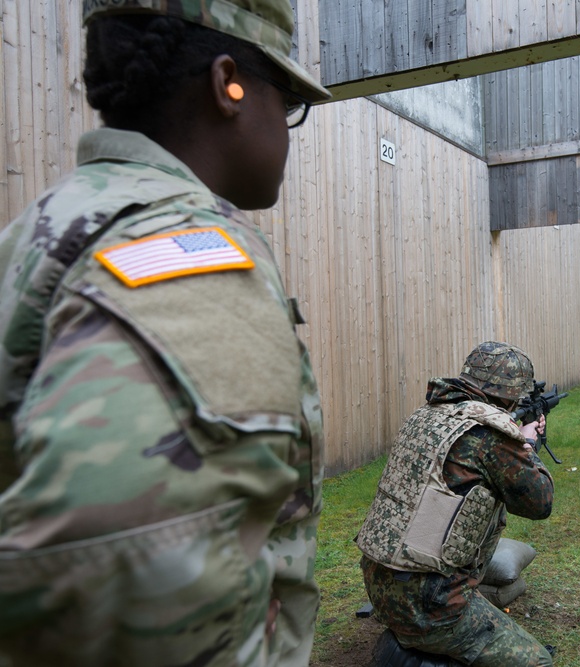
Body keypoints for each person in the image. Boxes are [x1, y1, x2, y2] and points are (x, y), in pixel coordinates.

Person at [0, 1, 331, 665]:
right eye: (289, 102)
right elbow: (121, 560)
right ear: (228, 83)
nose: (290, 131)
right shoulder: (183, 248)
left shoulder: (39, 230)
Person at [356, 341, 556, 666]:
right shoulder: (492, 438)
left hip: (379, 582)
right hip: (429, 604)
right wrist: (527, 444)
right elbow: (539, 502)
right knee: (537, 662)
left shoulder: (427, 415)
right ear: (509, 394)